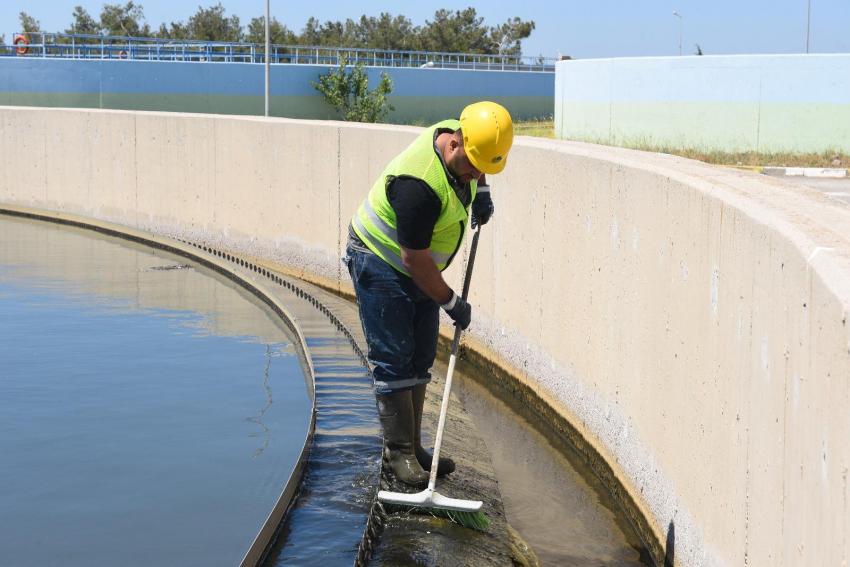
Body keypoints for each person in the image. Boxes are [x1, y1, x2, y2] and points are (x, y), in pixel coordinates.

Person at [344, 101, 514, 486]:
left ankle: (414, 446)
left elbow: (480, 163)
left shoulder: (464, 133)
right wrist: (452, 302)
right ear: (455, 144)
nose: (475, 174)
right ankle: (398, 455)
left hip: (418, 268)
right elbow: (414, 260)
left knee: (420, 353)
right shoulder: (417, 186)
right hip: (380, 260)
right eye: (472, 166)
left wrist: (482, 189)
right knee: (393, 357)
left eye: (483, 168)